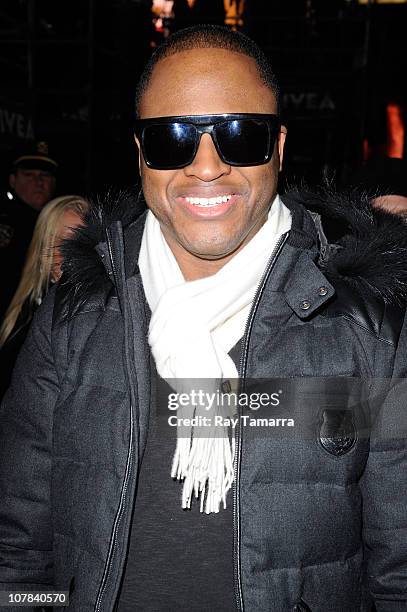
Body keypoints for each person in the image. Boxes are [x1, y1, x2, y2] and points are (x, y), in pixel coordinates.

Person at [0, 25, 407, 612]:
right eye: (172, 140)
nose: (207, 166)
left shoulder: (368, 327)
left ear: (280, 147)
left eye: (242, 136)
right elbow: (16, 553)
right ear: (141, 155)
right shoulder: (76, 317)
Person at [0, 195, 88, 400]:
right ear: (43, 250)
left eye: (83, 242)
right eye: (65, 242)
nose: (73, 254)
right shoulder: (21, 309)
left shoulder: (102, 312)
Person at [0, 141, 58, 319]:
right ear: (12, 180)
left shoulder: (60, 223)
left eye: (44, 175)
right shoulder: (6, 221)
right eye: (29, 175)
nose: (38, 181)